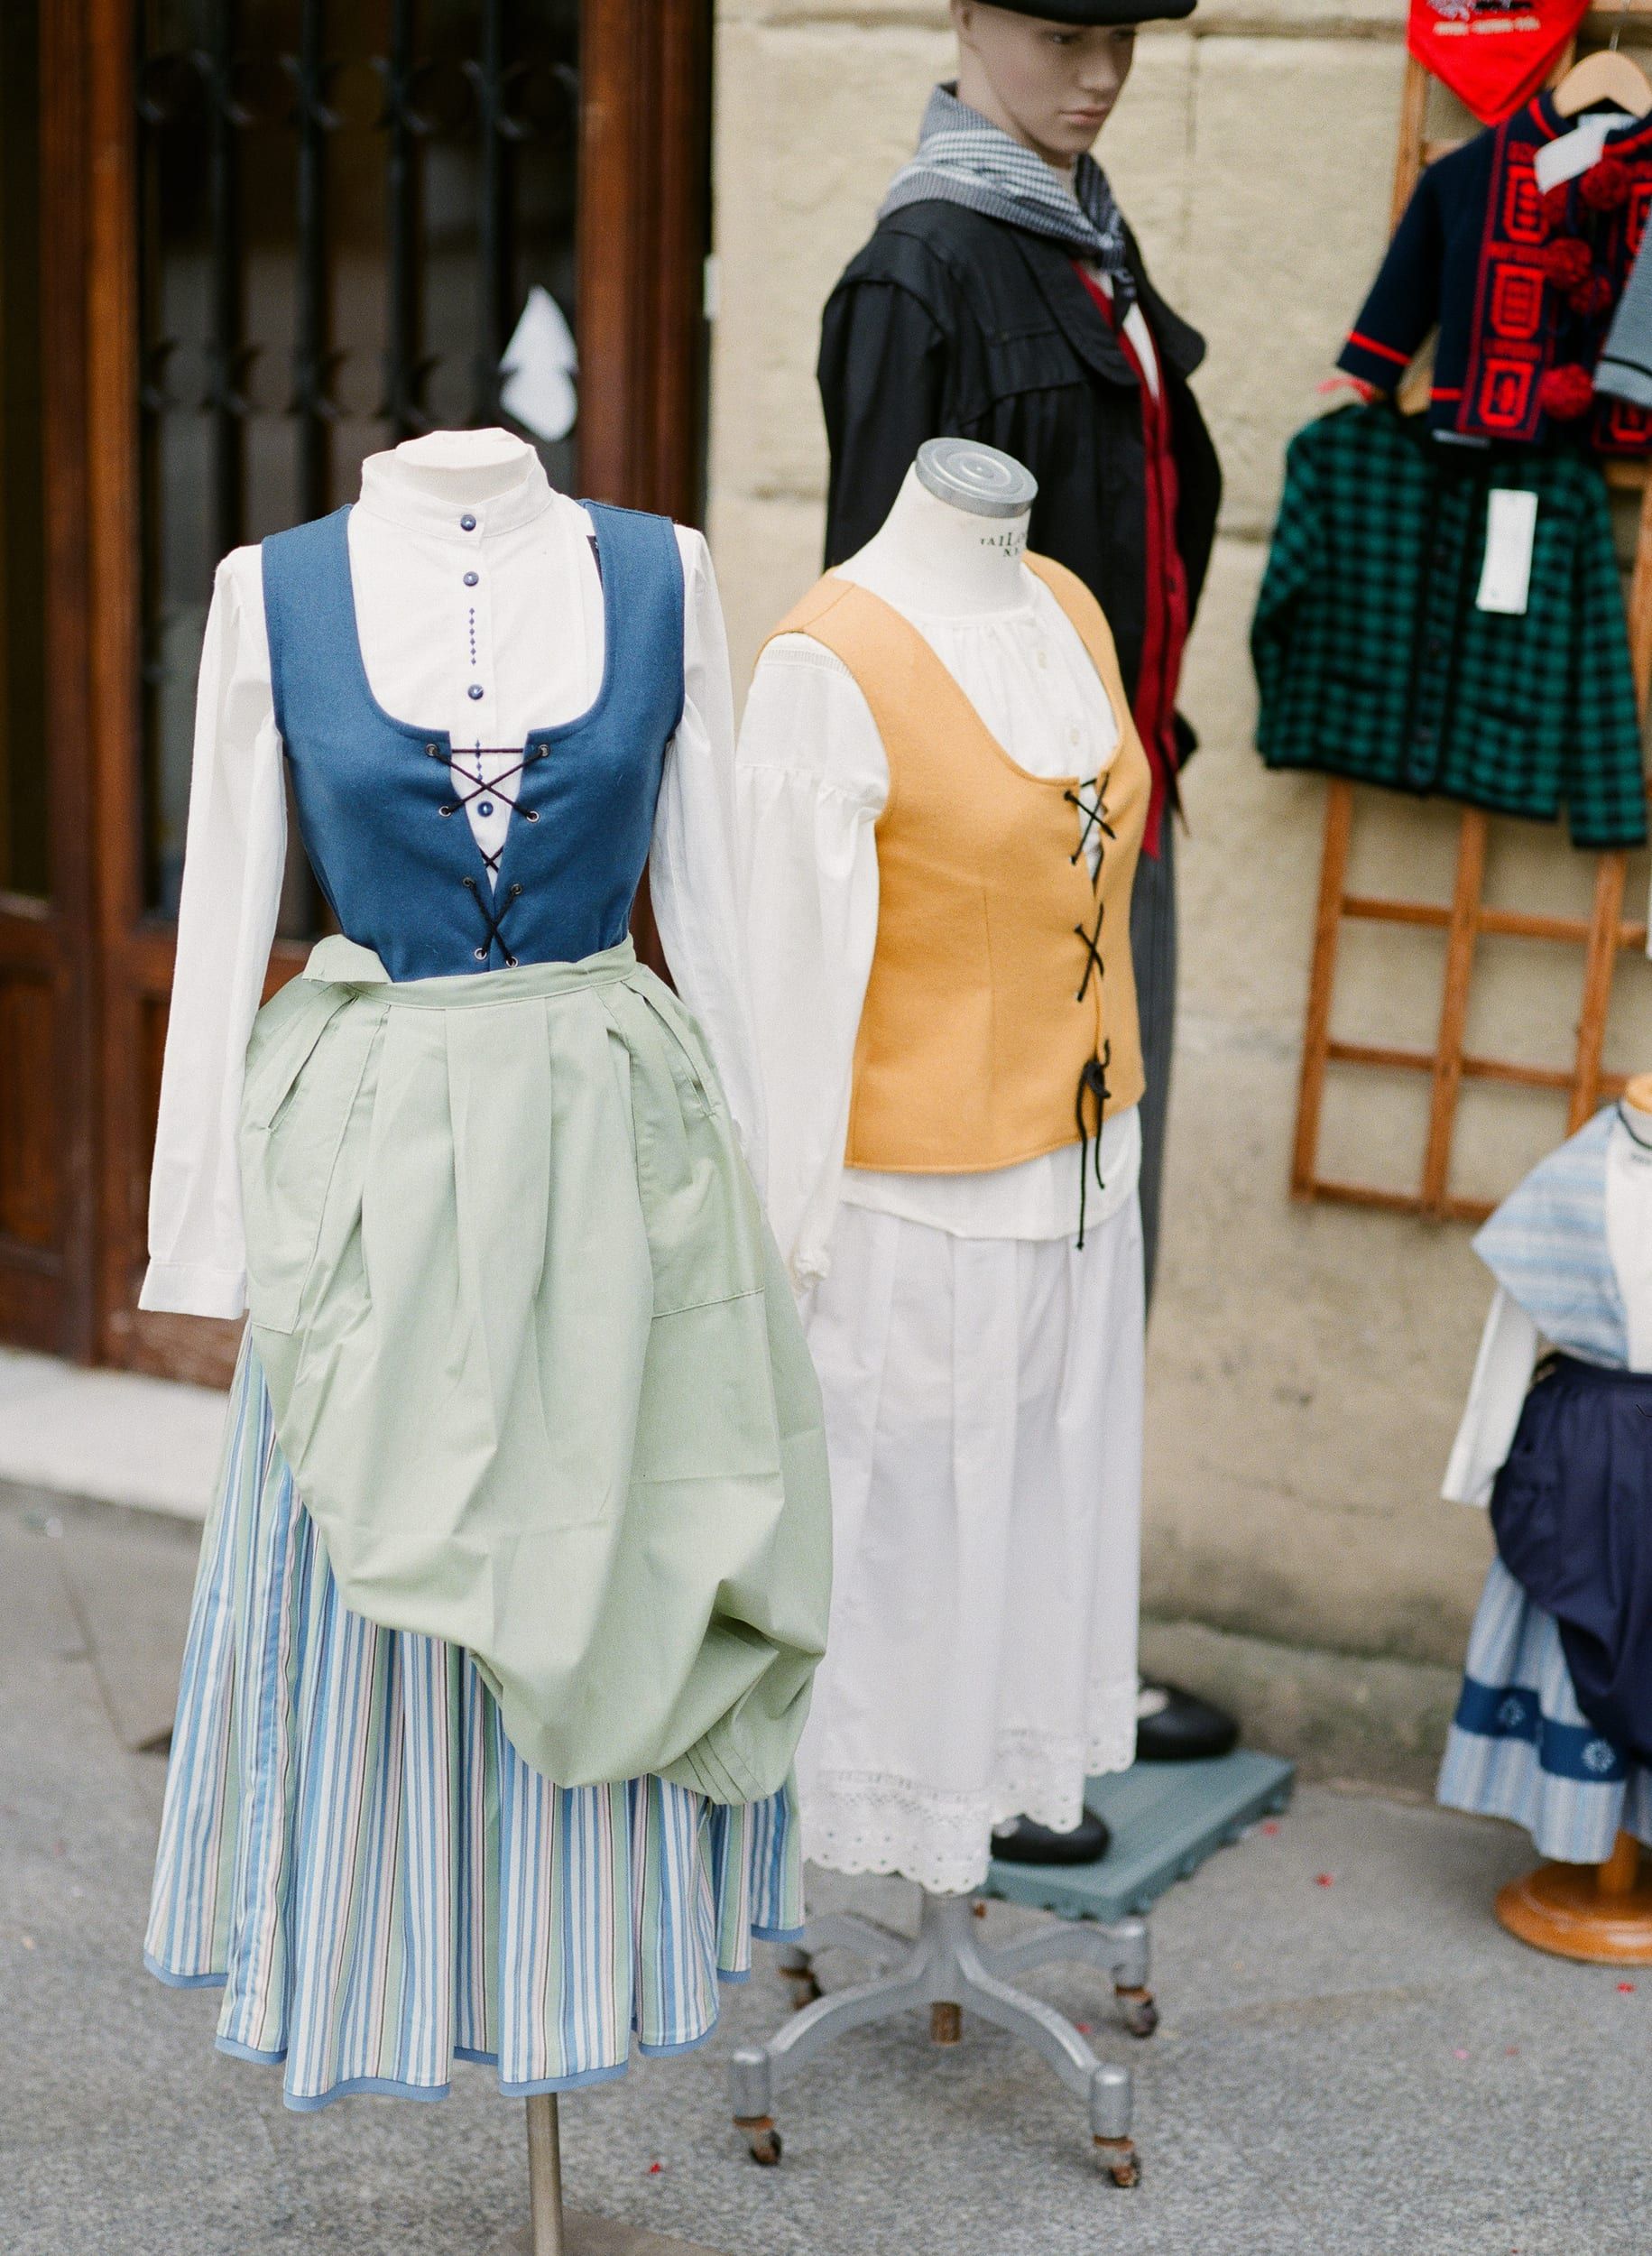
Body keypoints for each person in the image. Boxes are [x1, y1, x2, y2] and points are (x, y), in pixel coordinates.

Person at [817, 0, 1236, 1795]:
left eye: (1124, 33)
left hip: (1105, 830)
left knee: (1089, 1270)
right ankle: (950, 1733)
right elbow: (869, 621)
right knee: (970, 1297)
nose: (1099, 68)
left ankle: (1059, 1680)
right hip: (989, 888)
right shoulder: (927, 268)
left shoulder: (1082, 235)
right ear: (967, 20)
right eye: (1062, 30)